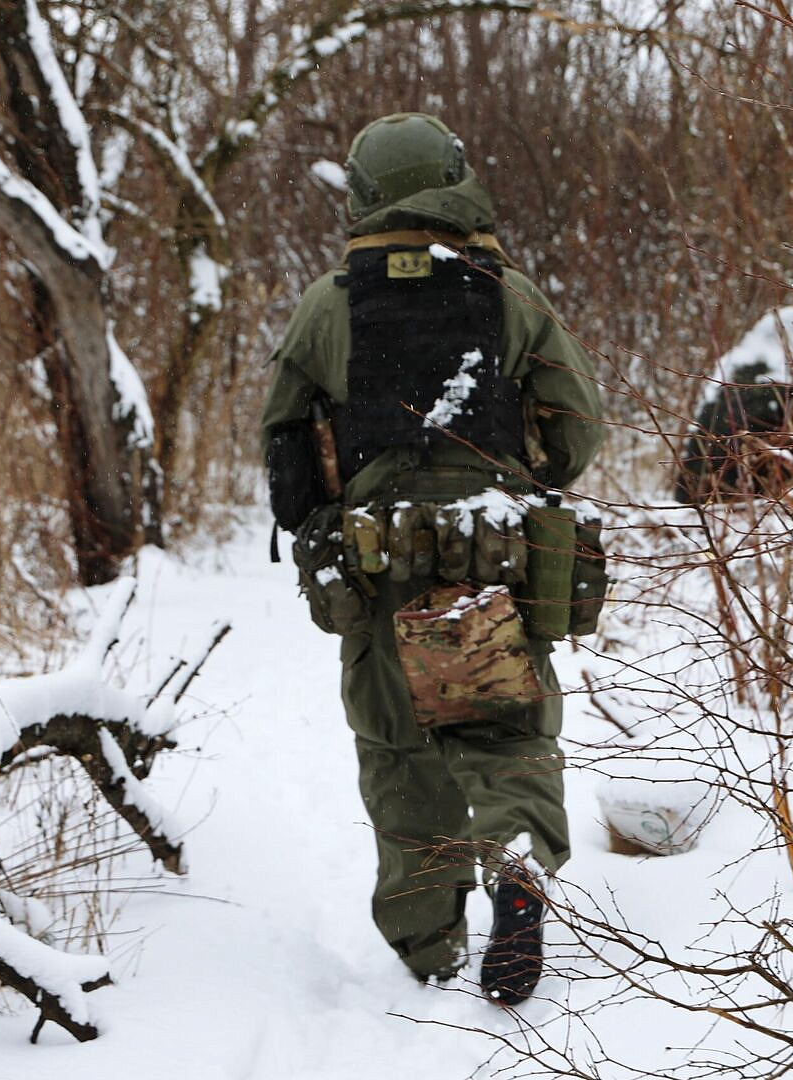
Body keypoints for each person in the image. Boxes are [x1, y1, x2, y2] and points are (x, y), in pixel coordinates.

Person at [260, 113, 605, 1004]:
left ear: (367, 194)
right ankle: (516, 865)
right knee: (506, 731)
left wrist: (322, 518)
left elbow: (285, 442)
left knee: (398, 745)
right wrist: (524, 471)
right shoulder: (507, 293)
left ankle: (428, 948)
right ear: (455, 182)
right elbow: (578, 428)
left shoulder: (328, 301)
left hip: (377, 558)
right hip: (491, 547)